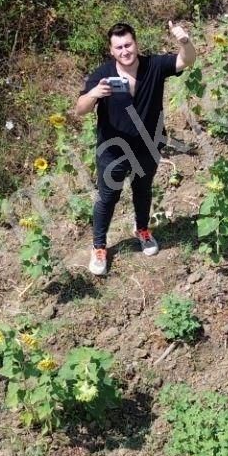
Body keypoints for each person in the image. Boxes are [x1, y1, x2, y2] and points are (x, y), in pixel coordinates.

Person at [71, 20, 196, 275]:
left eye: (128, 45)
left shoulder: (154, 65)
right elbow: (79, 109)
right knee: (107, 198)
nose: (125, 51)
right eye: (119, 48)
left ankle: (142, 229)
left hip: (148, 147)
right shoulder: (103, 74)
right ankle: (99, 246)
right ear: (111, 51)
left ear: (136, 44)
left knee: (143, 190)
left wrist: (185, 41)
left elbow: (186, 61)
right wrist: (95, 93)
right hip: (113, 152)